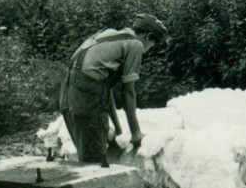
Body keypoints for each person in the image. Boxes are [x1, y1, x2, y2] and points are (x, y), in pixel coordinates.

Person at [60, 13, 168, 163]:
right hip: (86, 96)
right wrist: (136, 133)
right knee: (94, 163)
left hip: (68, 92)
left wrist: (117, 129)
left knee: (86, 153)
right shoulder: (135, 44)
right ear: (148, 36)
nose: (149, 50)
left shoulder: (109, 34)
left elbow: (103, 87)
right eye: (153, 44)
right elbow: (128, 92)